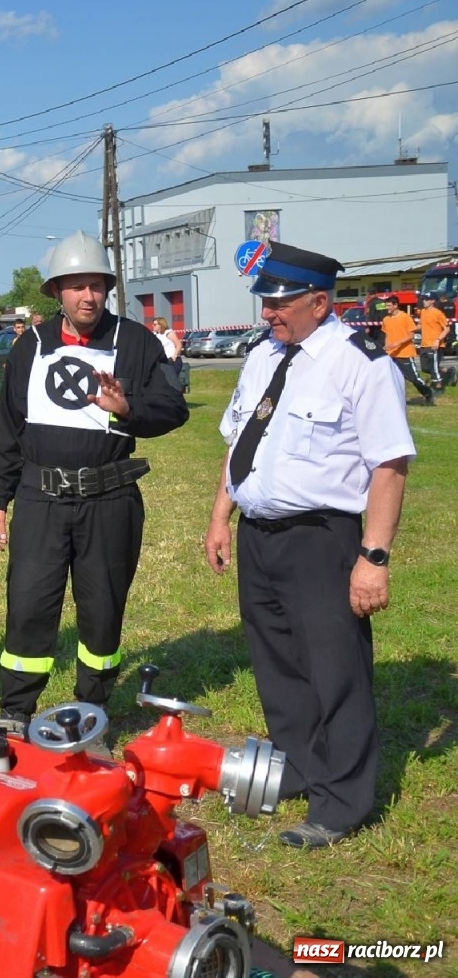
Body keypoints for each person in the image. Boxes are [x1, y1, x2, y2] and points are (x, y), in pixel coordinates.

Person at [203, 242, 412, 849]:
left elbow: (389, 464)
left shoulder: (360, 363)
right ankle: (299, 764)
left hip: (322, 539)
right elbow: (240, 442)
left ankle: (342, 802)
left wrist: (373, 558)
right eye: (266, 302)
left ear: (320, 303)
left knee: (335, 667)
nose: (270, 313)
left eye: (282, 302)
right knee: (277, 663)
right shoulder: (264, 356)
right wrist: (221, 517)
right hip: (259, 535)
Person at [0, 232, 189, 726]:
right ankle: (15, 712)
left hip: (110, 498)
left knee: (102, 608)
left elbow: (172, 408)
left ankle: (92, 710)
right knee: (30, 603)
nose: (87, 297)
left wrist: (129, 409)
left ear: (107, 289)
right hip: (41, 498)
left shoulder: (135, 342)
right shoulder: (29, 346)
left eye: (96, 286)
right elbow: (9, 428)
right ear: (56, 291)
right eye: (75, 287)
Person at [380, 295, 435, 406]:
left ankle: (428, 393)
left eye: (389, 305)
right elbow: (387, 335)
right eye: (386, 305)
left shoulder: (405, 317)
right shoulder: (386, 319)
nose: (387, 308)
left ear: (395, 305)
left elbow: (411, 335)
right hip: (391, 355)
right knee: (393, 379)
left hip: (405, 353)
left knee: (413, 378)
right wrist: (386, 348)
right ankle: (397, 399)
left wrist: (398, 343)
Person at [418, 293, 449, 392]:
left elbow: (447, 329)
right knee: (425, 368)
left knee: (434, 367)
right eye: (424, 299)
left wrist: (438, 340)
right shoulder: (423, 312)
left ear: (433, 301)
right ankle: (448, 371)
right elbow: (420, 325)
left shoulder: (438, 313)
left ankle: (438, 387)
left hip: (434, 344)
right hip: (424, 343)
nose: (424, 301)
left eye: (427, 299)